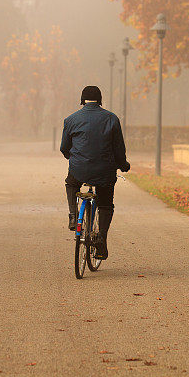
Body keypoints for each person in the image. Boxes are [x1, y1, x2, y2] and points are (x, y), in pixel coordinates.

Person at [60, 85, 130, 260]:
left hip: (78, 169)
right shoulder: (112, 119)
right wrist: (123, 165)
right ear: (100, 100)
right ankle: (101, 240)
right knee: (105, 204)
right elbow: (118, 149)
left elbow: (64, 148)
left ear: (82, 100)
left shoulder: (70, 120)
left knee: (71, 183)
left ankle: (73, 215)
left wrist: (76, 158)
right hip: (104, 171)